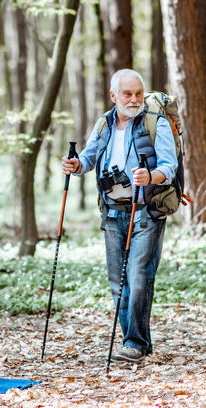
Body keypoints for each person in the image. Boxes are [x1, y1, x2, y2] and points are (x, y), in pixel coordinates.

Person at [62, 69, 178, 363]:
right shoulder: (104, 124)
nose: (134, 99)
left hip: (145, 213)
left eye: (138, 93)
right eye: (127, 94)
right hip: (112, 214)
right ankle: (137, 342)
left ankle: (134, 343)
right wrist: (76, 165)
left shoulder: (156, 123)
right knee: (119, 282)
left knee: (139, 277)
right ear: (114, 96)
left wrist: (151, 174)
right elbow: (89, 158)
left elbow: (170, 166)